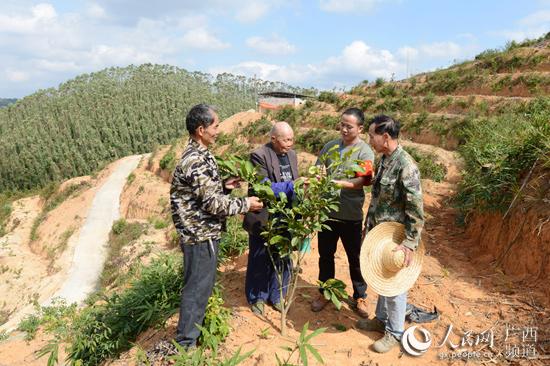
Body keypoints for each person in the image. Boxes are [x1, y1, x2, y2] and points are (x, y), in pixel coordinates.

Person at [170, 104, 263, 348]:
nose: (218, 130)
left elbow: (203, 193)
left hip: (203, 232)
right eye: (215, 125)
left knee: (201, 286)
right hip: (199, 234)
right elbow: (212, 204)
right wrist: (245, 204)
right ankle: (186, 344)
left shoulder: (201, 153)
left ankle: (191, 337)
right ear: (201, 129)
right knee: (197, 289)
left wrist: (225, 186)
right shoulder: (195, 161)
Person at [356, 114, 424, 353]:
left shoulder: (406, 166)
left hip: (396, 238)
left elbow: (416, 210)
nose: (369, 140)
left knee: (395, 285)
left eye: (372, 135)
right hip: (380, 233)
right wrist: (368, 228)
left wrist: (409, 243)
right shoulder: (385, 160)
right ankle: (381, 319)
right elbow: (376, 200)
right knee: (383, 279)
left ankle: (395, 333)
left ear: (385, 137)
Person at [311, 108, 374, 317]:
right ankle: (325, 292)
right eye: (342, 124)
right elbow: (319, 169)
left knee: (355, 258)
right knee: (325, 256)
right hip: (328, 214)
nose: (344, 129)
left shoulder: (364, 151)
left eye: (349, 126)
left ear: (360, 128)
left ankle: (360, 296)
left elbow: (364, 180)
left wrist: (342, 184)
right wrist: (319, 178)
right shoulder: (330, 147)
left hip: (351, 216)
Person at [243, 121, 298, 315]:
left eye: (292, 139)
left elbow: (294, 184)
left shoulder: (292, 155)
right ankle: (257, 296)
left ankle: (276, 295)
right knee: (260, 257)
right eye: (286, 139)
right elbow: (263, 187)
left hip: (284, 216)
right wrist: (293, 186)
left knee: (282, 257)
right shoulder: (259, 155)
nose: (290, 143)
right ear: (273, 139)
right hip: (263, 216)